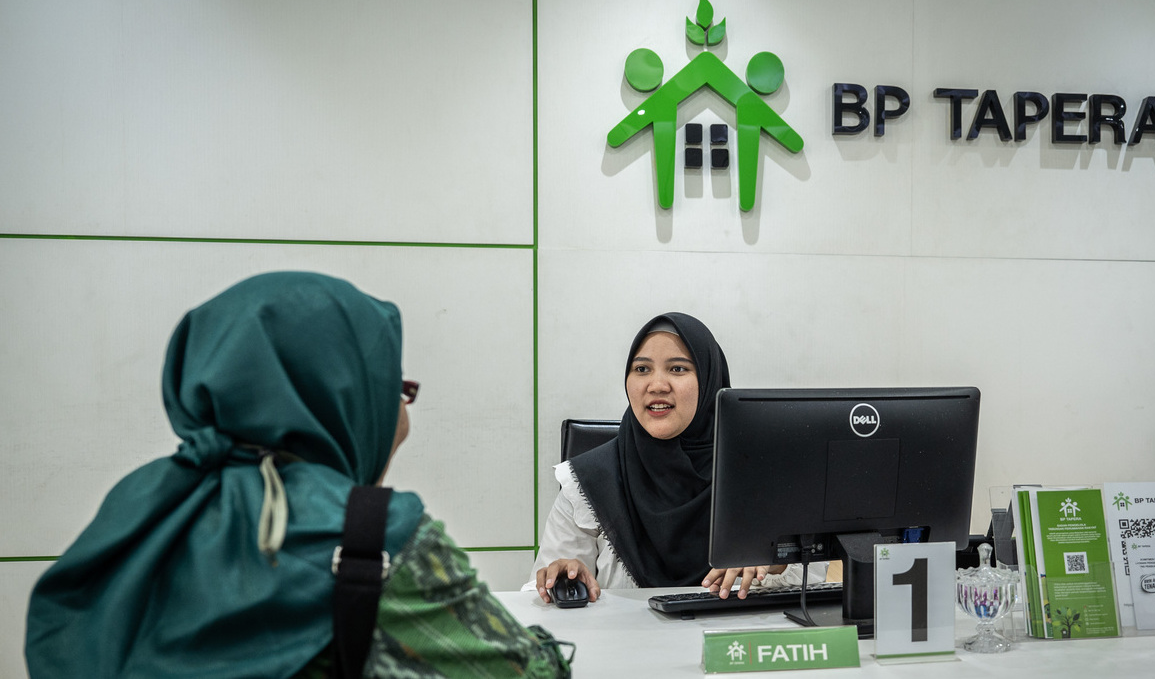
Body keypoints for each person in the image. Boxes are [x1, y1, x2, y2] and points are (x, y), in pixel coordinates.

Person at [25, 272, 570, 679]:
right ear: (346, 395)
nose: (401, 417)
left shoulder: (139, 504)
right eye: (395, 390)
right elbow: (526, 672)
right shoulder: (379, 537)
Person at [526, 312, 827, 604]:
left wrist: (778, 562)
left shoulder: (760, 473)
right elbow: (538, 593)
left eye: (678, 369)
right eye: (642, 369)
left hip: (738, 645)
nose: (656, 385)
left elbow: (817, 581)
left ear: (710, 381)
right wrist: (559, 579)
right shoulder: (587, 481)